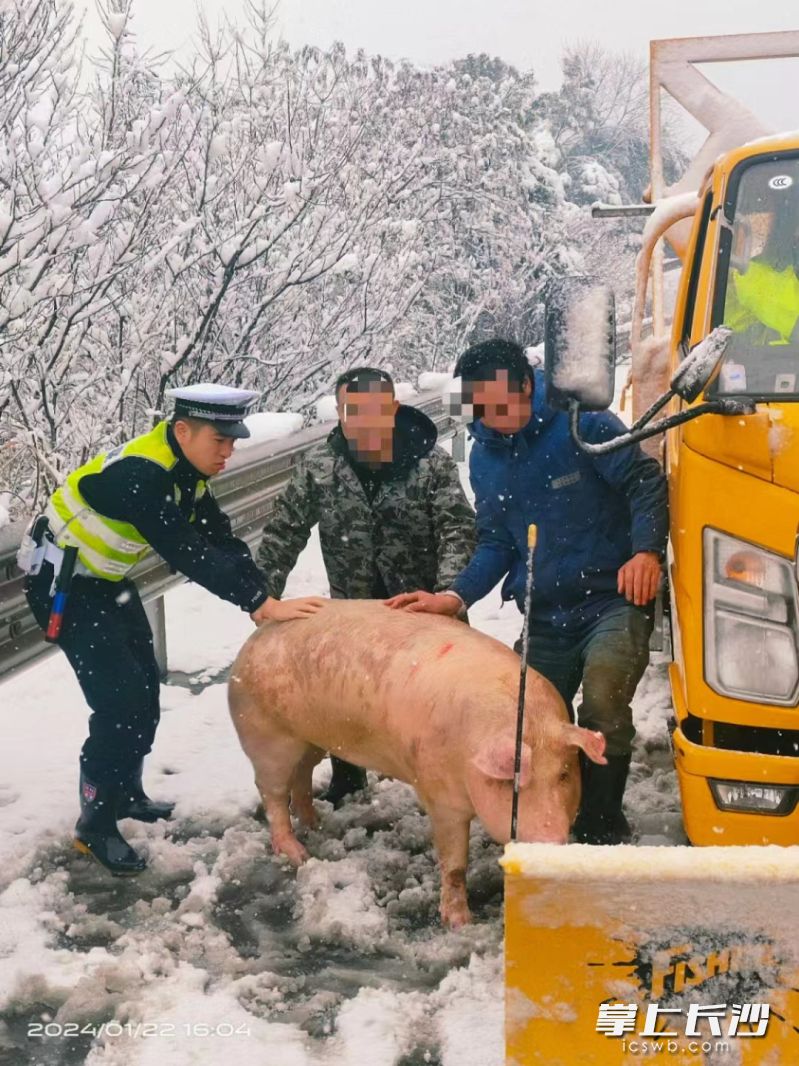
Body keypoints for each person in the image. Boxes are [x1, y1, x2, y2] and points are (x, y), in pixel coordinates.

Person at [22, 384, 327, 876]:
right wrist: (257, 603)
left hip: (104, 581)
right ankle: (94, 824)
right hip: (63, 586)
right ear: (183, 430)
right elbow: (186, 550)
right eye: (219, 442)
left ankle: (127, 794)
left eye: (233, 443)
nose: (228, 453)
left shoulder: (187, 471)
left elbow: (218, 538)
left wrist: (260, 594)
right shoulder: (143, 476)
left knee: (144, 685)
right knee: (119, 702)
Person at [387, 340, 669, 845]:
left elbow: (644, 481)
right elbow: (496, 541)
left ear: (527, 386)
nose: (493, 418)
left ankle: (600, 822)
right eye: (481, 408)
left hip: (611, 597)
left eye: (502, 405)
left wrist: (645, 551)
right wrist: (456, 597)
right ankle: (541, 820)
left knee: (603, 702)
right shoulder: (484, 458)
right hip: (545, 611)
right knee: (527, 725)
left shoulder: (584, 423)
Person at [256, 366, 475, 806]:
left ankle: (455, 778)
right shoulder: (319, 467)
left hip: (423, 609)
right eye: (352, 412)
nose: (364, 422)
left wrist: (448, 594)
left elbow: (458, 530)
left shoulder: (430, 462)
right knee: (347, 695)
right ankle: (348, 775)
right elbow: (284, 530)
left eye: (375, 411)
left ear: (393, 409)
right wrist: (263, 596)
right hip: (355, 609)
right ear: (339, 413)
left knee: (442, 699)